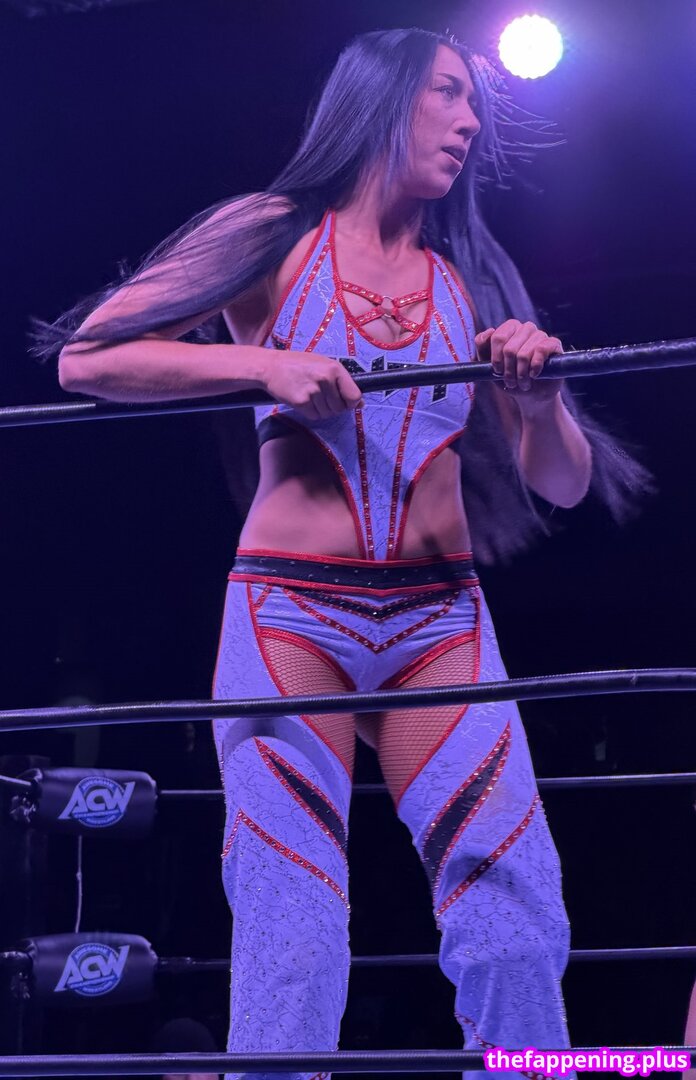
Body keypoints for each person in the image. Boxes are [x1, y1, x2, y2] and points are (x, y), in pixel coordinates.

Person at [34, 27, 652, 1080]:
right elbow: (87, 359)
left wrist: (542, 396)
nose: (469, 122)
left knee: (515, 916)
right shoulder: (270, 231)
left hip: (440, 623)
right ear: (382, 98)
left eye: (474, 103)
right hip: (291, 619)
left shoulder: (472, 269)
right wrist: (263, 367)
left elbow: (563, 482)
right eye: (449, 94)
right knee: (295, 931)